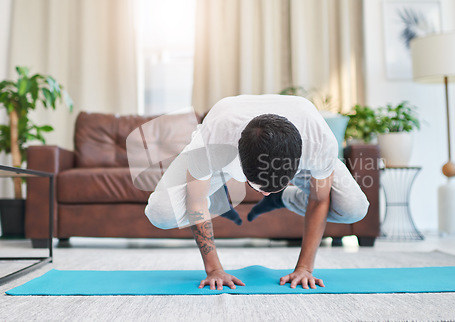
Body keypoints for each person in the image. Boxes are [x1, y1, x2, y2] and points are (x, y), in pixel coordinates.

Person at [145, 94, 369, 290]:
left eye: (274, 189)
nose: (264, 194)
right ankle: (213, 195)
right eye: (259, 189)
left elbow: (320, 200)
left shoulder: (319, 142)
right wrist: (214, 269)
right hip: (223, 153)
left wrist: (304, 268)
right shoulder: (212, 141)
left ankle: (285, 198)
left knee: (354, 209)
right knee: (161, 214)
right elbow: (195, 202)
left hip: (299, 153)